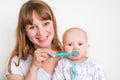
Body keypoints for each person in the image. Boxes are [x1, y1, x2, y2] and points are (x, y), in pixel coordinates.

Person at [6, 0, 62, 80]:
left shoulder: (69, 54)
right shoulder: (17, 62)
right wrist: (33, 68)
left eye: (46, 24)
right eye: (32, 27)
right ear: (25, 32)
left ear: (53, 23)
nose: (41, 32)